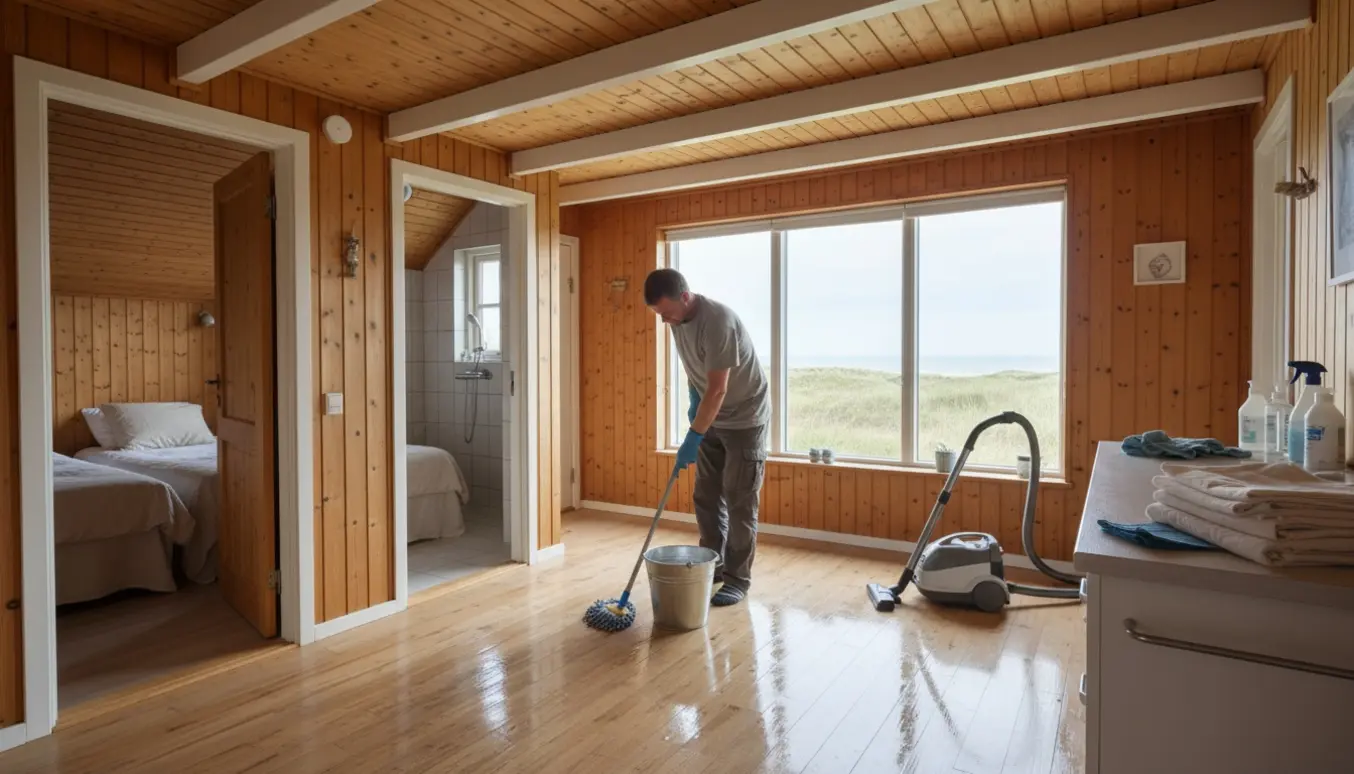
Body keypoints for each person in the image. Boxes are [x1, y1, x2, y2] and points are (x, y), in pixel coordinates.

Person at [644, 268, 769, 606]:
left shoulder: (719, 322)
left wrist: (693, 436)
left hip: (744, 417)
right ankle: (713, 564)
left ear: (685, 297)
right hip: (711, 413)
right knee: (706, 496)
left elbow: (718, 389)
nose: (663, 320)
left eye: (666, 312)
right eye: (658, 314)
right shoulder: (677, 321)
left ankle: (737, 579)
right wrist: (693, 403)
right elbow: (694, 371)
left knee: (740, 499)